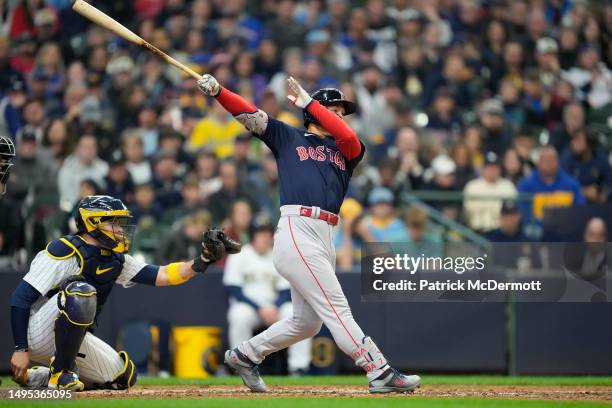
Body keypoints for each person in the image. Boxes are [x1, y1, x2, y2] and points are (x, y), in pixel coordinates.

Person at [197, 73, 420, 393]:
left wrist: (311, 103)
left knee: (307, 323)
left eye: (343, 112)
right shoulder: (287, 137)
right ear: (314, 114)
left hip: (325, 234)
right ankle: (379, 370)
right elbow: (247, 113)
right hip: (297, 229)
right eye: (337, 110)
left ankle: (245, 355)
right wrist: (219, 91)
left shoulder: (348, 150)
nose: (342, 116)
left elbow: (347, 135)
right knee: (336, 308)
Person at [9, 195, 240, 390]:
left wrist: (202, 260)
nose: (120, 229)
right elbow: (21, 298)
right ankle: (61, 373)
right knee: (82, 292)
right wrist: (21, 349)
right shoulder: (64, 250)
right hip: (38, 332)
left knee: (123, 377)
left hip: (72, 340)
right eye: (114, 223)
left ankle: (42, 376)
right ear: (94, 223)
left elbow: (162, 275)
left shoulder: (114, 258)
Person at [224, 223, 312, 376]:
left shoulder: (277, 255)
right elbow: (234, 290)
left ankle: (299, 367)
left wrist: (274, 307)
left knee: (297, 314)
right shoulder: (239, 255)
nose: (265, 238)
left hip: (274, 308)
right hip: (250, 308)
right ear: (252, 237)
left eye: (267, 234)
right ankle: (240, 366)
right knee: (238, 315)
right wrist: (260, 308)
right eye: (261, 234)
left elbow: (285, 290)